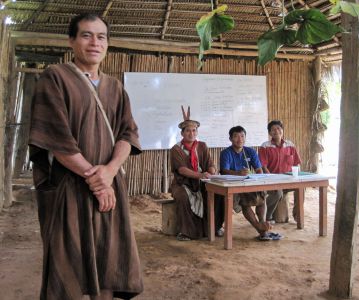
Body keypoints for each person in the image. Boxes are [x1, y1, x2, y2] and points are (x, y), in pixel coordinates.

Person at [29, 13, 143, 299]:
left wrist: (109, 172)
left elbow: (127, 135)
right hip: (69, 187)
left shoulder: (116, 88)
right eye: (86, 35)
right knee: (67, 263)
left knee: (108, 261)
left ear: (107, 44)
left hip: (110, 187)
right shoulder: (55, 78)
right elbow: (57, 138)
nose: (95, 42)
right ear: (72, 40)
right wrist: (97, 180)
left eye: (101, 37)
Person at [170, 106, 224, 241]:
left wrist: (211, 171)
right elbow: (182, 170)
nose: (191, 133)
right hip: (183, 183)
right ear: (182, 133)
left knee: (218, 194)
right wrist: (200, 175)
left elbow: (210, 164)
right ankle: (186, 232)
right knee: (182, 197)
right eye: (188, 131)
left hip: (202, 182)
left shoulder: (202, 146)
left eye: (194, 130)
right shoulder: (176, 149)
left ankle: (215, 227)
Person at [219, 126, 272, 240]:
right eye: (236, 136)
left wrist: (257, 178)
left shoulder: (250, 151)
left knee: (262, 197)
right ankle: (260, 229)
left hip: (250, 182)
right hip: (234, 185)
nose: (240, 139)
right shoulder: (226, 153)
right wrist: (238, 173)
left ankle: (262, 223)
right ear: (230, 139)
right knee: (245, 203)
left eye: (242, 136)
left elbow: (258, 170)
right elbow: (224, 171)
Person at [258, 120, 301, 223]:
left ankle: (298, 215)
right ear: (269, 133)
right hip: (272, 182)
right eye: (273, 129)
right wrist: (271, 179)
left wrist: (296, 174)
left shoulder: (290, 145)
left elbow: (297, 163)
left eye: (278, 128)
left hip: (288, 180)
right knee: (280, 218)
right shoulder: (265, 146)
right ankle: (267, 216)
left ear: (282, 130)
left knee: (301, 188)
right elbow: (263, 167)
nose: (276, 131)